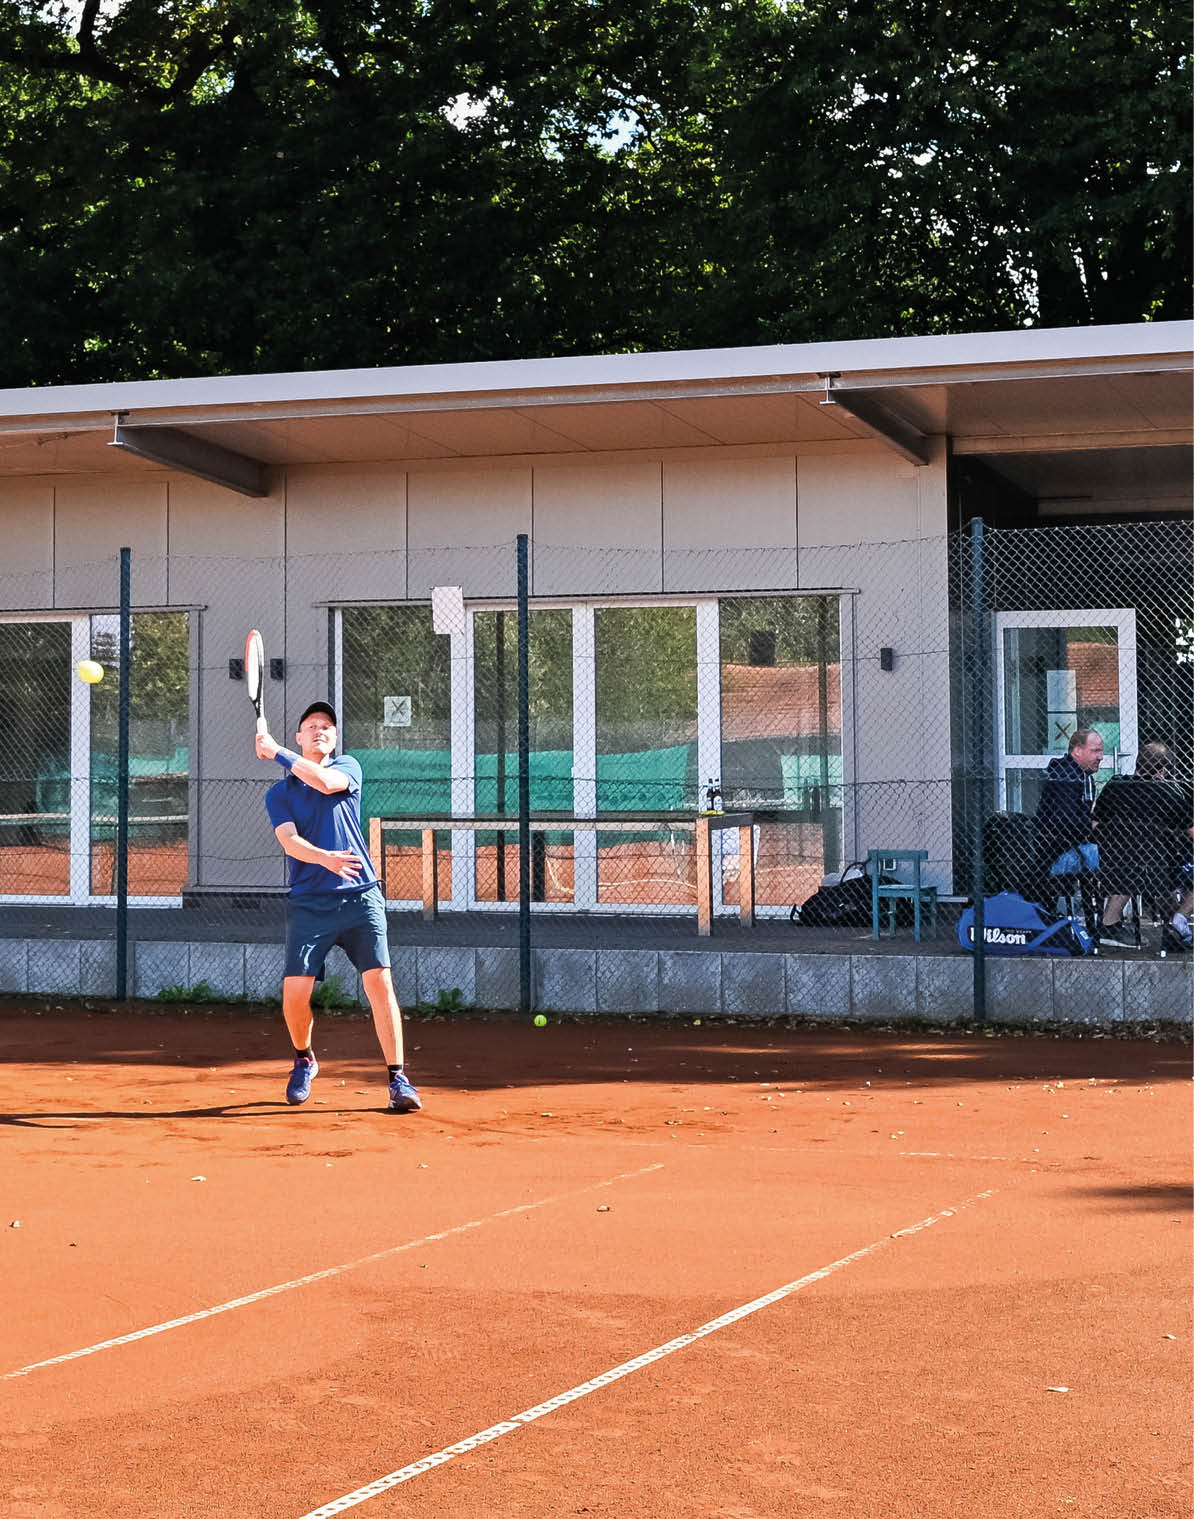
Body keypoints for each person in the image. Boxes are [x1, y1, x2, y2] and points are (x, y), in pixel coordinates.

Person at [256, 700, 421, 1112]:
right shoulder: (279, 793)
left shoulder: (347, 768)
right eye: (311, 725)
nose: (319, 730)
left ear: (333, 738)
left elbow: (326, 785)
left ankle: (398, 1079)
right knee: (295, 994)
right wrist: (323, 858)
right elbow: (289, 841)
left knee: (380, 984)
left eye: (326, 726)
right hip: (310, 902)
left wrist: (276, 751)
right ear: (300, 736)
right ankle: (304, 1058)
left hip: (361, 897)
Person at [1093, 742, 1194, 953]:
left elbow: (1096, 822)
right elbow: (1191, 830)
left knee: (1136, 863)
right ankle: (1178, 920)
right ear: (1163, 770)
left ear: (1138, 763)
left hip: (1117, 864)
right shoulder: (1168, 792)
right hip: (1160, 868)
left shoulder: (1116, 786)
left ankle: (1109, 924)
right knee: (1172, 869)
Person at [1034, 728, 1104, 877]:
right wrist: (1093, 826)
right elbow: (1064, 821)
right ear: (1077, 751)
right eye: (1095, 751)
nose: (1101, 757)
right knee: (1114, 855)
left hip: (1071, 847)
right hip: (1056, 853)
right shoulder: (1066, 776)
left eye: (1101, 751)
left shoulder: (1084, 776)